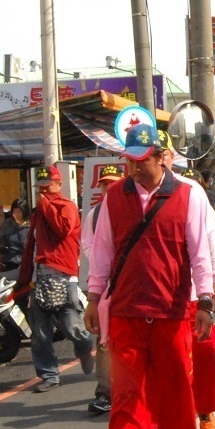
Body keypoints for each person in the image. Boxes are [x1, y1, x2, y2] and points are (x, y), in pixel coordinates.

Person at [84, 124, 215, 429]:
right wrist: (94, 300)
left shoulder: (188, 196)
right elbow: (103, 254)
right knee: (127, 394)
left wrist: (204, 301)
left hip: (172, 309)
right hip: (126, 311)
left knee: (175, 387)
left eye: (142, 161)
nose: (135, 168)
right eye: (129, 161)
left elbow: (200, 253)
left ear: (162, 157)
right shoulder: (113, 198)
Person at [156, 132, 215, 429]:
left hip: (195, 293)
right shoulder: (135, 193)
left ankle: (206, 409)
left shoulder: (191, 191)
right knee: (160, 363)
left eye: (165, 154)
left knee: (203, 352)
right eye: (154, 154)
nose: (160, 160)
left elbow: (208, 241)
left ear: (172, 157)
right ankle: (156, 428)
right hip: (158, 296)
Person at [16, 165, 97, 392]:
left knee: (74, 328)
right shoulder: (38, 213)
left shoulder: (66, 206)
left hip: (63, 277)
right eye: (40, 188)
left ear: (59, 185)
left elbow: (63, 229)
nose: (43, 192)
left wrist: (46, 204)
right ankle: (49, 375)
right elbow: (32, 247)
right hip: (39, 277)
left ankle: (85, 347)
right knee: (40, 332)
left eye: (48, 186)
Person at [79, 164, 124, 416]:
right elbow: (88, 245)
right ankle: (105, 393)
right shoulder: (94, 215)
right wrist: (102, 261)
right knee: (104, 340)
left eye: (113, 182)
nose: (109, 187)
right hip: (105, 285)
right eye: (105, 184)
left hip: (130, 285)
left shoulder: (132, 208)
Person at [0, 198, 30, 271]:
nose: (16, 215)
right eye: (14, 212)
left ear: (24, 212)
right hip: (7, 263)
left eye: (19, 212)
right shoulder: (7, 224)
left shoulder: (31, 227)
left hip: (24, 264)